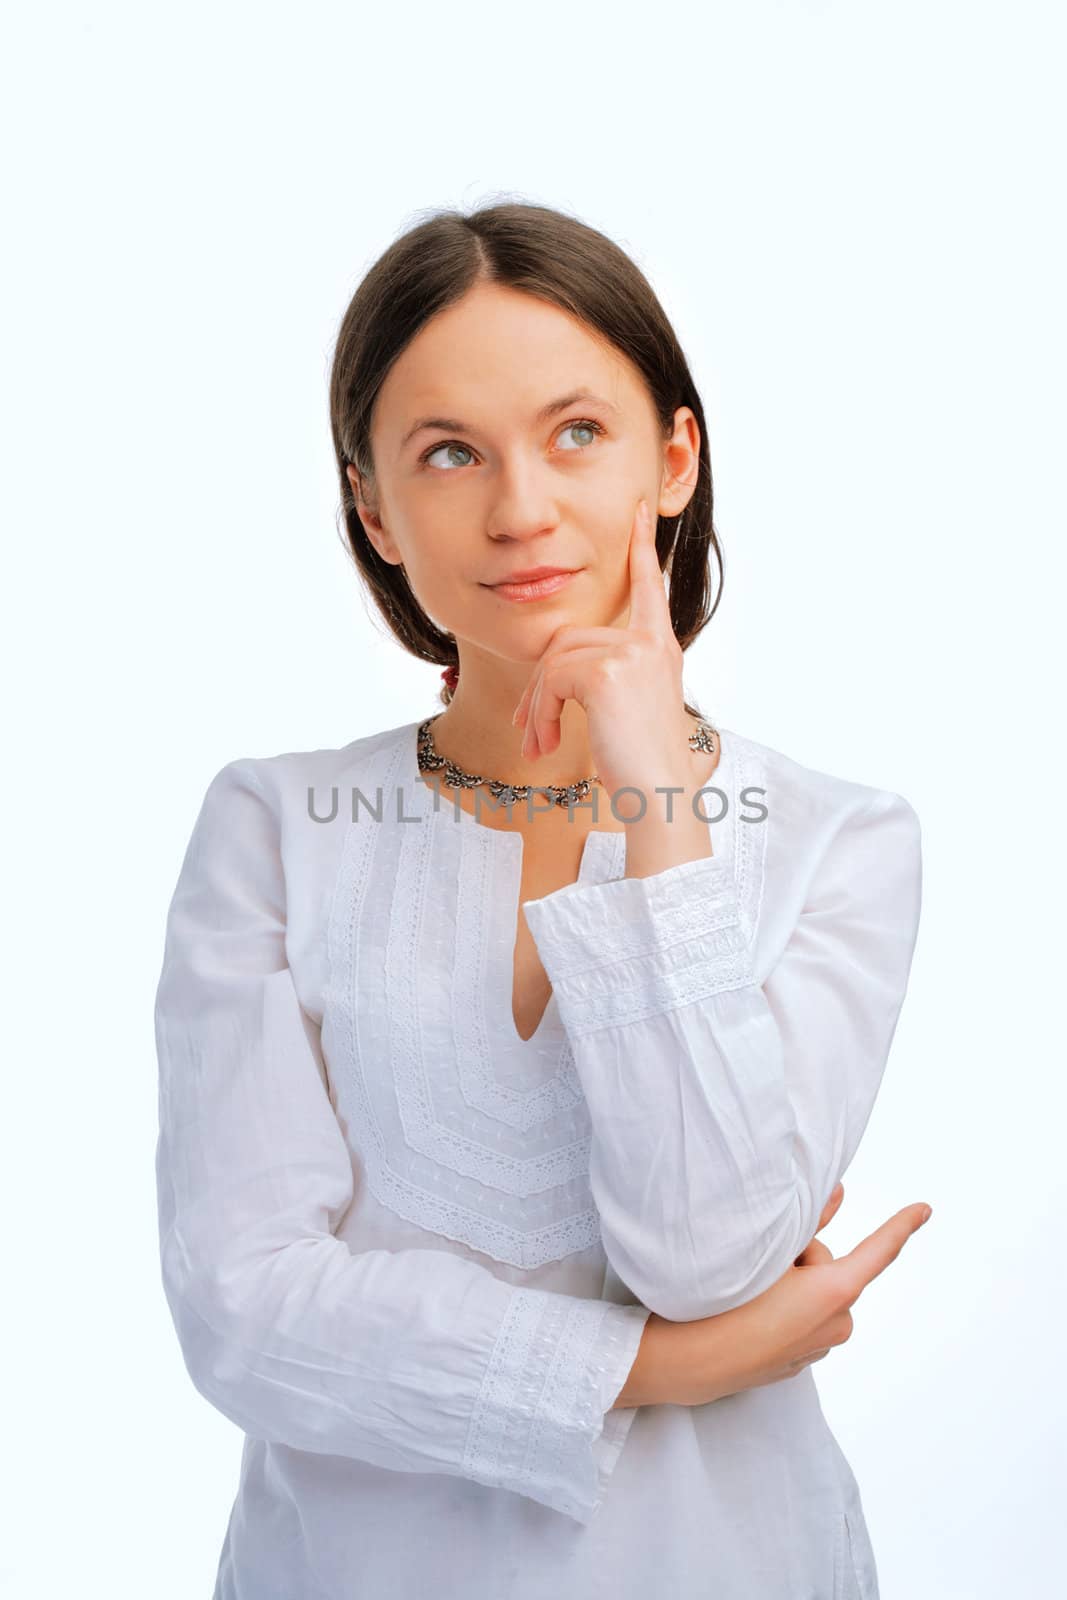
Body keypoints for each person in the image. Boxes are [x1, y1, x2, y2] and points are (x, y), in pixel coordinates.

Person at [153, 201, 932, 1600]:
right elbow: (244, 1311)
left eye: (577, 433)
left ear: (672, 460)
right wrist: (685, 1365)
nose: (520, 508)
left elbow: (703, 1249)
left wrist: (659, 806)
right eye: (449, 453)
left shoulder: (841, 844)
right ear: (374, 511)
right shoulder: (272, 830)